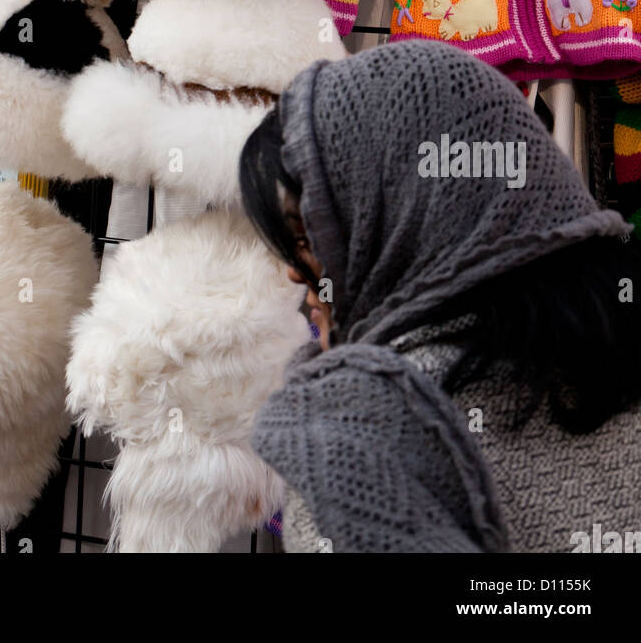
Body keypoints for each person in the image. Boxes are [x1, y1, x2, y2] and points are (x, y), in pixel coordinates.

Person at [240, 39, 641, 554]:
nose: (297, 274)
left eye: (308, 235)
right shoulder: (612, 343)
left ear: (402, 217)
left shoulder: (355, 445)